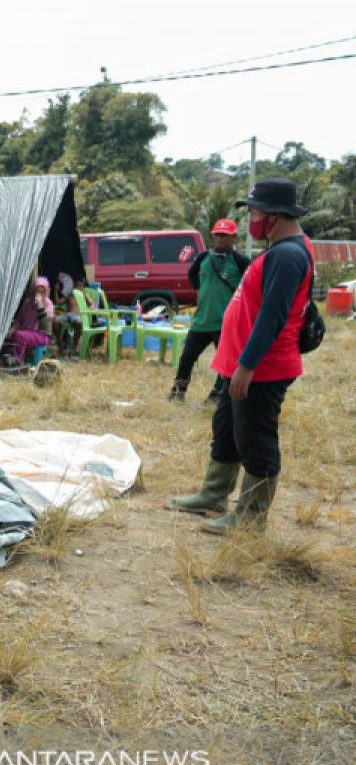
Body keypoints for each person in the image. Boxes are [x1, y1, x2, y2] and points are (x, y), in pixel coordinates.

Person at [166, 179, 314, 534]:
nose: (252, 220)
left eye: (255, 213)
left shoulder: (289, 254)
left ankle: (250, 518)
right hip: (240, 363)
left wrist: (246, 366)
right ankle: (214, 494)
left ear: (276, 216)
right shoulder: (280, 250)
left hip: (262, 367)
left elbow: (273, 316)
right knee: (228, 430)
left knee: (256, 439)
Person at [168, 219, 251, 403]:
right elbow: (192, 274)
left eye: (225, 235)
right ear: (213, 236)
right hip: (201, 321)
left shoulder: (241, 261)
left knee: (224, 363)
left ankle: (216, 396)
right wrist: (200, 290)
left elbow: (250, 287)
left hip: (225, 323)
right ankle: (177, 391)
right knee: (187, 357)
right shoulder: (203, 257)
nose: (220, 239)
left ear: (233, 237)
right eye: (217, 235)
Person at [0, 276, 52, 367]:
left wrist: (39, 304)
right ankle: (7, 359)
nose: (39, 294)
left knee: (19, 335)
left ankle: (18, 362)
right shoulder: (28, 302)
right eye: (37, 290)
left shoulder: (48, 304)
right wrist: (12, 329)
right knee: (10, 335)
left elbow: (45, 322)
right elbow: (19, 319)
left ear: (46, 292)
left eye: (42, 291)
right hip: (27, 332)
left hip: (41, 335)